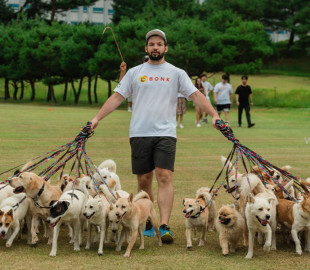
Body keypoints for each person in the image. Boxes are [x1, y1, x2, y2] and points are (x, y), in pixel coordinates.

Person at [89, 29, 220, 243]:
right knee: (144, 180)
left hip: (166, 134)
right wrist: (96, 119)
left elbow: (195, 95)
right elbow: (116, 97)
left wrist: (214, 115)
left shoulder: (176, 72)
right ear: (146, 48)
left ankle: (165, 225)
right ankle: (148, 219)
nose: (156, 47)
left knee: (165, 176)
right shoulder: (134, 72)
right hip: (139, 133)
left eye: (160, 44)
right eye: (152, 44)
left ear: (165, 48)